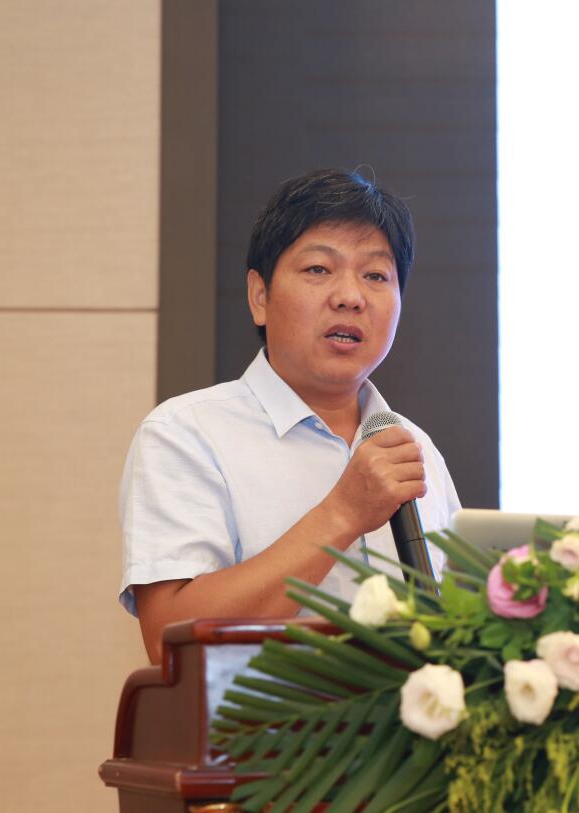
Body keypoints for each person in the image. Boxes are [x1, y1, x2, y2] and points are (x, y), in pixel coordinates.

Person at [118, 169, 462, 664]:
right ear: (259, 296)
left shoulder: (416, 448)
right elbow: (169, 642)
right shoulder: (185, 434)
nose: (350, 296)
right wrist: (342, 514)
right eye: (319, 269)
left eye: (376, 276)